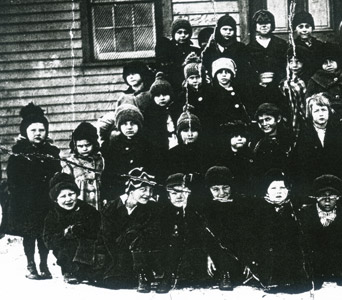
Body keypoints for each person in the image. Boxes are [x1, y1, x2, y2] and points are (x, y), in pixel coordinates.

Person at [5, 102, 61, 280]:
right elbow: (13, 179)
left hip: (46, 200)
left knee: (44, 234)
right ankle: (31, 264)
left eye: (41, 130)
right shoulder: (18, 155)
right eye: (33, 130)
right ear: (25, 133)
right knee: (29, 234)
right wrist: (21, 196)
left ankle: (44, 264)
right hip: (27, 202)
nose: (38, 134)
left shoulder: (51, 152)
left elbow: (57, 174)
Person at [100, 167, 161, 292]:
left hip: (140, 253)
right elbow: (106, 234)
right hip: (116, 253)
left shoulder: (151, 208)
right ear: (130, 191)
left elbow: (153, 231)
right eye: (143, 189)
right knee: (112, 281)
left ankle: (142, 275)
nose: (148, 194)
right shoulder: (112, 207)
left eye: (150, 190)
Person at [252, 169, 311, 292]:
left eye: (282, 187)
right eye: (273, 188)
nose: (278, 191)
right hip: (266, 257)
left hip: (292, 257)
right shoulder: (257, 209)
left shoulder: (294, 208)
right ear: (266, 190)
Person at [43, 172, 101, 284]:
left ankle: (88, 271)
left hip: (87, 248)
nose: (68, 199)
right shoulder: (53, 215)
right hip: (66, 251)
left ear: (77, 194)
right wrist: (64, 233)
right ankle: (68, 271)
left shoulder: (87, 210)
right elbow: (48, 241)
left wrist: (84, 228)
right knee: (67, 245)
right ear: (56, 200)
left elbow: (98, 226)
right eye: (63, 196)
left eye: (71, 194)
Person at [157, 173, 209, 293]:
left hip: (195, 253)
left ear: (189, 193)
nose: (179, 196)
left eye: (183, 192)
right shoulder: (163, 213)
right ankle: (167, 277)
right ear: (168, 196)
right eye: (174, 193)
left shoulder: (197, 211)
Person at [204, 166, 254, 291]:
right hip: (216, 256)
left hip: (240, 253)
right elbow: (205, 235)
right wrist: (208, 255)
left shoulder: (243, 205)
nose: (221, 193)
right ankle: (224, 273)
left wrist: (250, 260)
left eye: (225, 187)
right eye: (215, 189)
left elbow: (250, 234)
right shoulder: (206, 208)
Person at [101, 104, 161, 201]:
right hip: (119, 194)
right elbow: (108, 174)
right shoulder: (111, 147)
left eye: (133, 123)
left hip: (143, 194)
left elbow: (155, 172)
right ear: (119, 126)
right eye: (125, 124)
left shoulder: (149, 146)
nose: (129, 127)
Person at [291, 93, 342, 201]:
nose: (321, 114)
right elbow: (301, 166)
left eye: (323, 110)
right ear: (310, 114)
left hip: (336, 184)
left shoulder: (337, 131)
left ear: (329, 111)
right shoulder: (304, 135)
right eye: (316, 111)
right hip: (312, 185)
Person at [301, 174, 342, 289]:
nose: (327, 199)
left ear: (338, 197)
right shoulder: (303, 215)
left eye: (332, 196)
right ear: (315, 197)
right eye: (322, 195)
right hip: (311, 277)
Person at [97, 61, 152, 145]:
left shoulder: (149, 93)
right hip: (128, 130)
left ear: (142, 73)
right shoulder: (124, 97)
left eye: (134, 73)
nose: (131, 77)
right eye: (128, 75)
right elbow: (118, 116)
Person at [205, 57, 252, 142]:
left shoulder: (240, 91)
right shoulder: (211, 94)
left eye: (227, 72)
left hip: (240, 133)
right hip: (221, 133)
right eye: (220, 72)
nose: (224, 75)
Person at [62, 122, 104, 210]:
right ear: (75, 146)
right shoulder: (71, 163)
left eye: (88, 145)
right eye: (80, 146)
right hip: (80, 198)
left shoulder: (100, 160)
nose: (84, 149)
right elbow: (66, 183)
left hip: (98, 199)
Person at [201, 14, 250, 85]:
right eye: (225, 29)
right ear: (218, 30)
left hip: (236, 85)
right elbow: (206, 67)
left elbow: (244, 69)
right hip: (214, 87)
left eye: (231, 30)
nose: (228, 32)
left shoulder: (240, 48)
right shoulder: (211, 48)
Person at [155, 18, 200, 93]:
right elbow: (166, 70)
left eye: (186, 32)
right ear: (173, 33)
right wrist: (184, 64)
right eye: (179, 32)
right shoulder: (167, 49)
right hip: (173, 87)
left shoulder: (195, 51)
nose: (183, 35)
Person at [246, 10, 287, 86]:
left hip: (279, 85)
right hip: (258, 87)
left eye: (267, 23)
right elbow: (249, 71)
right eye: (260, 23)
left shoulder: (281, 44)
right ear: (255, 25)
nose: (264, 26)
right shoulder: (249, 48)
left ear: (272, 25)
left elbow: (285, 66)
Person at [252, 103, 293, 179]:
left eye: (267, 119)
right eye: (261, 121)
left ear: (278, 119)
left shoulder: (290, 140)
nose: (264, 124)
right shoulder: (258, 145)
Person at [215, 121, 254, 196]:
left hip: (246, 191)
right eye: (235, 136)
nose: (239, 139)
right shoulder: (222, 156)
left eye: (242, 136)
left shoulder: (250, 155)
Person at [279, 46, 310, 138]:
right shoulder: (284, 83)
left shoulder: (309, 81)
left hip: (306, 118)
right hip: (290, 118)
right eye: (290, 62)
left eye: (298, 62)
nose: (294, 65)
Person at [305, 45, 342, 119]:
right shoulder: (315, 80)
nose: (329, 65)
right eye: (325, 62)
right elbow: (309, 99)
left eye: (331, 61)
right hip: (325, 115)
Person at [292, 11, 326, 78]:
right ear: (295, 29)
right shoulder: (292, 46)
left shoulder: (320, 45)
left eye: (307, 26)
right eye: (301, 27)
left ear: (312, 28)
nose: (304, 30)